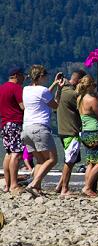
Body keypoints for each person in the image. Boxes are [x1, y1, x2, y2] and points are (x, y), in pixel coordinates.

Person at [21, 65, 63, 196]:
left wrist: (54, 84)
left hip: (26, 128)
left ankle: (36, 187)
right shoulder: (43, 90)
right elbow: (55, 105)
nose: (46, 78)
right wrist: (59, 90)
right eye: (45, 76)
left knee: (40, 160)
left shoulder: (26, 89)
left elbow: (42, 95)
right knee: (52, 159)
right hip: (40, 128)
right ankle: (33, 184)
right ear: (40, 76)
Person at [54, 69, 86, 196]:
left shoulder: (63, 90)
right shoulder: (73, 94)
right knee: (70, 161)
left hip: (62, 130)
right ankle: (64, 189)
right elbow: (84, 109)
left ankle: (59, 186)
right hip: (71, 130)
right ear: (79, 81)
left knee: (70, 160)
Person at [0, 66, 26, 193]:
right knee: (16, 153)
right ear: (16, 75)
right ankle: (14, 184)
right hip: (15, 122)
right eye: (22, 76)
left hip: (4, 123)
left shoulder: (1, 88)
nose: (23, 78)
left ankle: (7, 184)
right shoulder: (16, 88)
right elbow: (23, 106)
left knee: (8, 153)